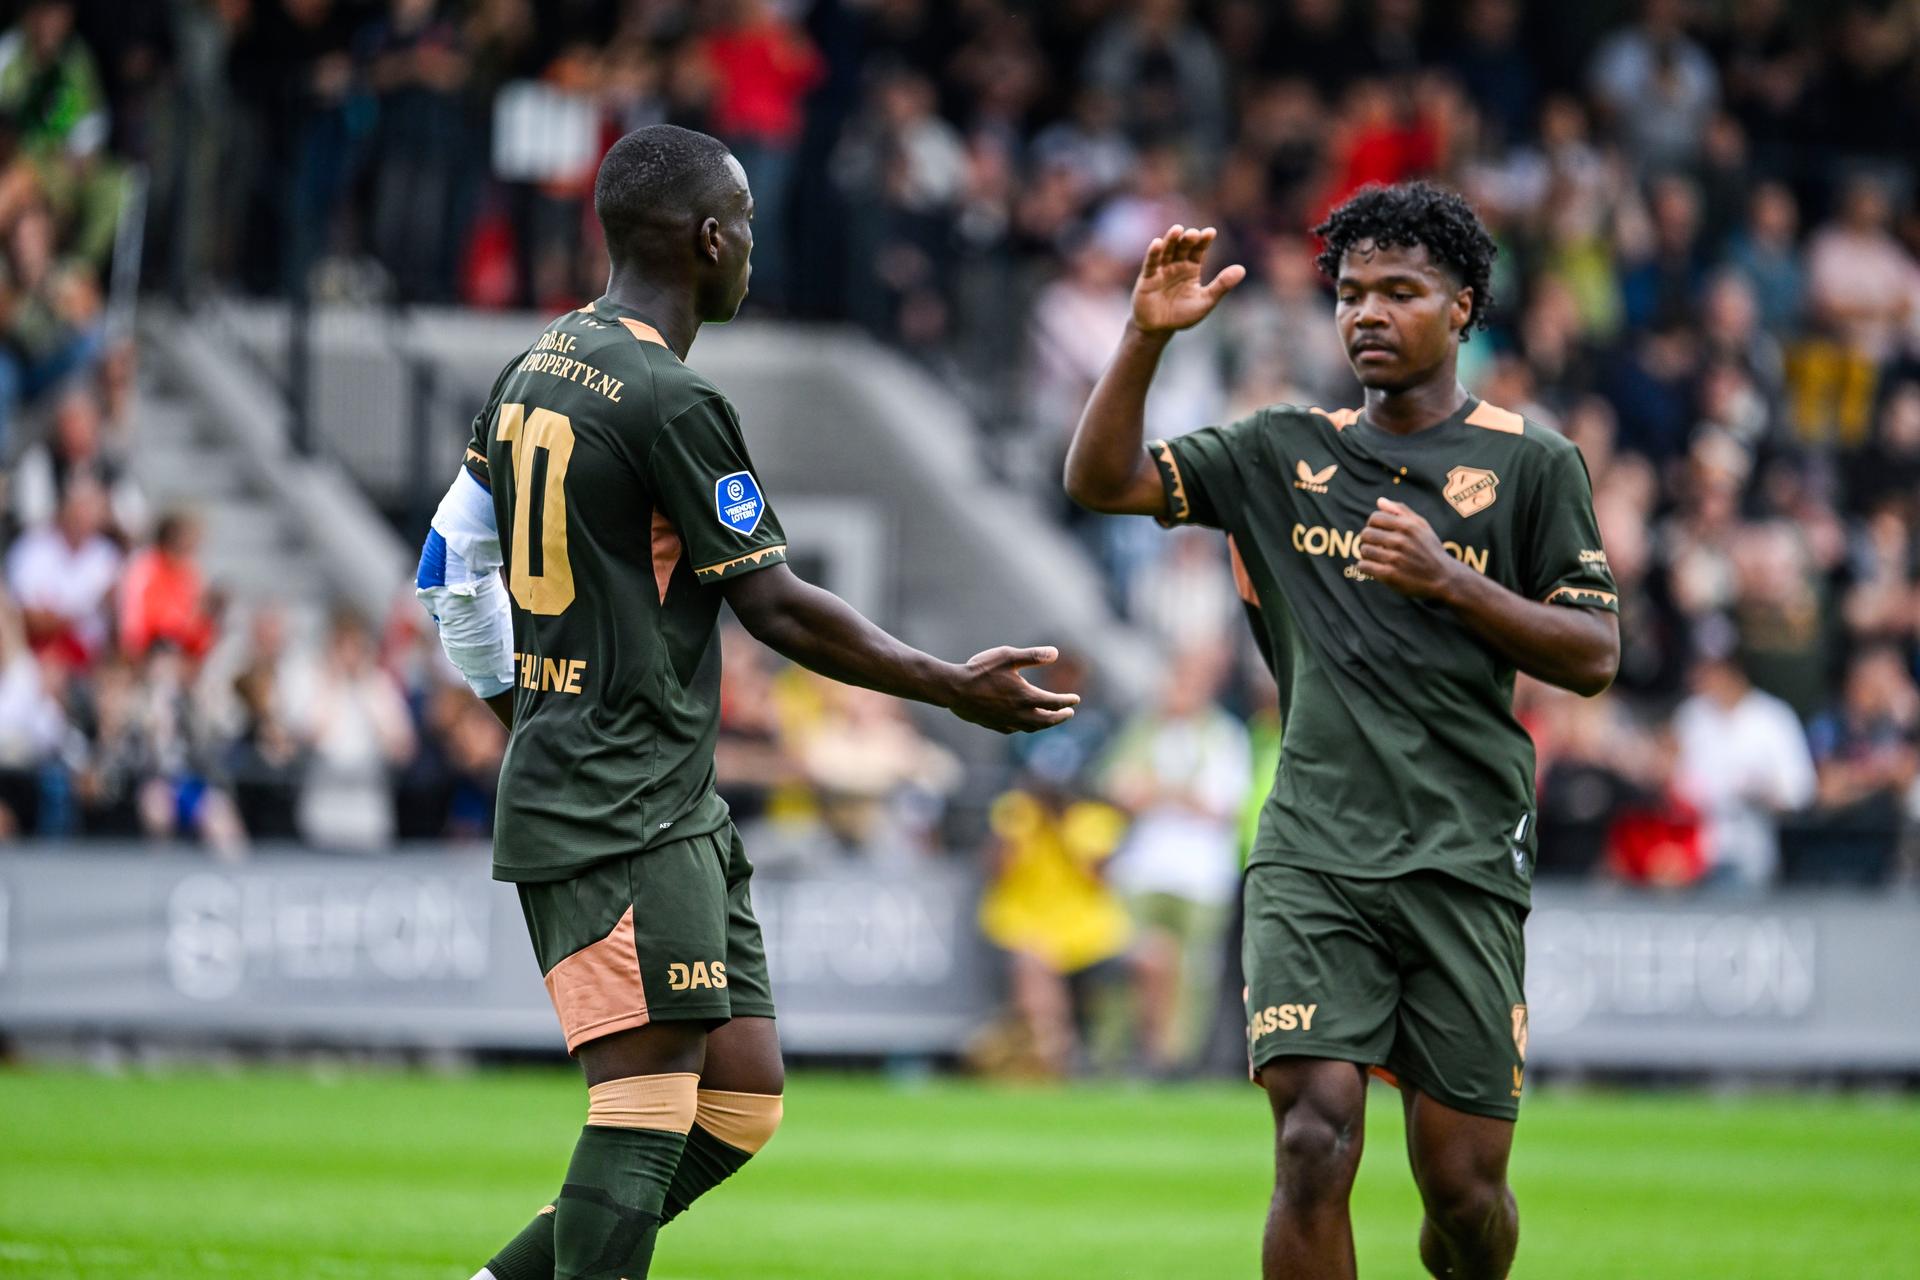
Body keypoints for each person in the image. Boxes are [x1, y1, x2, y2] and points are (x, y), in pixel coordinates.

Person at [414, 124, 1077, 1280]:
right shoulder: (671, 397)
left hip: (660, 795)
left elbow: (446, 558)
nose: (755, 251)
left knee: (739, 1101)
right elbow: (773, 606)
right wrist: (947, 683)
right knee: (645, 1108)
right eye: (750, 227)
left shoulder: (537, 362)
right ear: (711, 239)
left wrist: (512, 699)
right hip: (616, 802)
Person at [1063, 183, 1621, 1280]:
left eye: (1400, 291)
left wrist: (1453, 584)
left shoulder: (1532, 464)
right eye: (1350, 292)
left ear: (1463, 307)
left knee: (1464, 1193)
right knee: (1314, 1136)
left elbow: (1594, 652)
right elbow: (1100, 479)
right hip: (1314, 844)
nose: (1366, 311)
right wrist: (1143, 338)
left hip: (1464, 850)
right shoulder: (1279, 449)